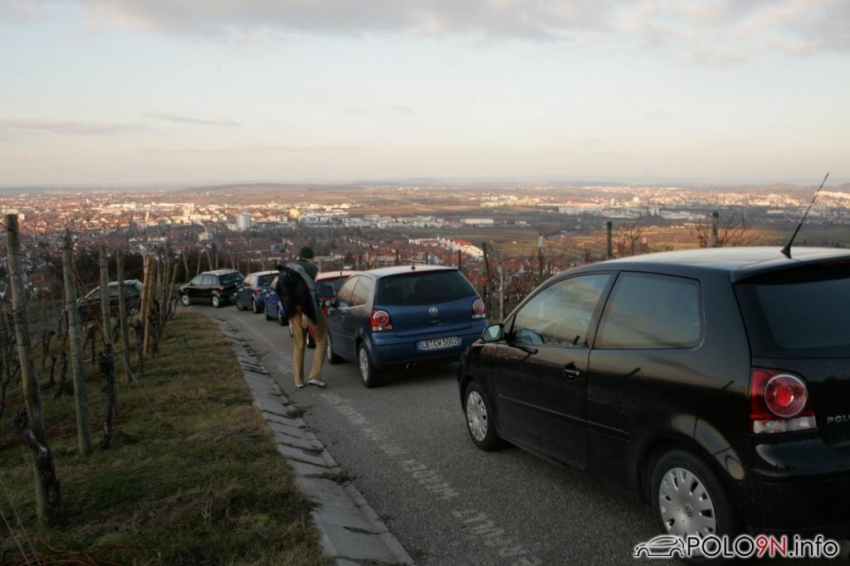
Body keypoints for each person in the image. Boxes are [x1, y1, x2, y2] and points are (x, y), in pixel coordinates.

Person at [276, 246, 329, 388]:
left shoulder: (288, 268)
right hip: (308, 308)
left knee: (298, 345)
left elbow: (277, 288)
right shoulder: (311, 269)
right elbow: (308, 291)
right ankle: (315, 376)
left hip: (293, 311)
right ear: (311, 257)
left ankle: (298, 381)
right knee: (322, 339)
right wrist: (306, 313)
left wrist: (289, 311)